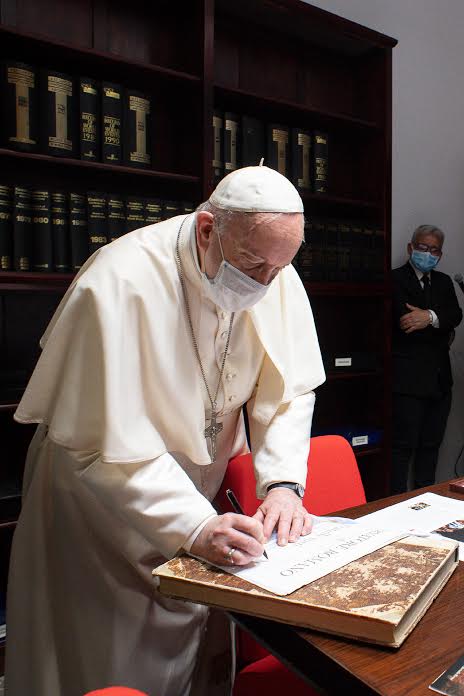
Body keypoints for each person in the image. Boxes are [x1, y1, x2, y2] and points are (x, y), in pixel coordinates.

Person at [5, 165, 325, 696]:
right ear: (208, 229)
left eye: (280, 267)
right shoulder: (120, 279)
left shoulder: (271, 267)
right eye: (253, 265)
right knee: (106, 662)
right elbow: (101, 445)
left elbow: (287, 390)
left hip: (199, 499)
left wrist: (284, 484)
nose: (266, 283)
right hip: (101, 511)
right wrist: (193, 525)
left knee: (198, 655)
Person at [391, 224, 462, 494]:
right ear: (411, 248)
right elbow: (405, 322)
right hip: (407, 382)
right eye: (423, 247)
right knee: (402, 448)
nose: (428, 253)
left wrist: (429, 317)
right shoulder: (395, 279)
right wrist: (440, 325)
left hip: (440, 381)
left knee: (431, 447)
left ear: (440, 255)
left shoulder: (443, 282)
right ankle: (396, 502)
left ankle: (427, 499)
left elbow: (455, 315)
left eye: (434, 250)